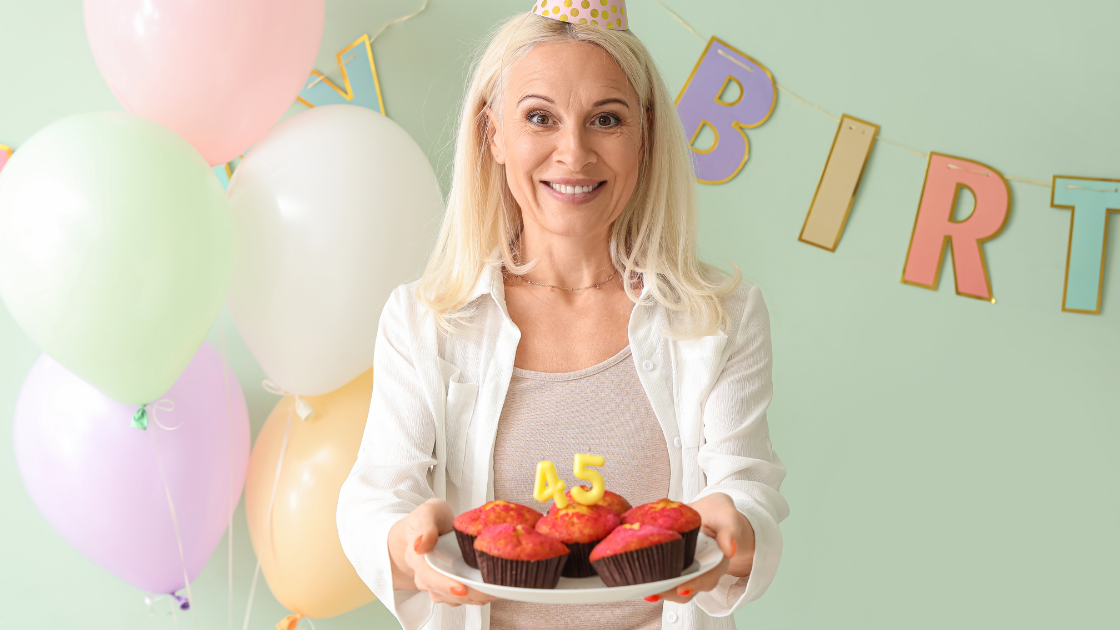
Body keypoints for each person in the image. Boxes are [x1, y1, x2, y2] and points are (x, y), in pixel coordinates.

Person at [337, 3, 788, 629]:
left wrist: (734, 527)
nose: (573, 153)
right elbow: (374, 498)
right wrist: (407, 543)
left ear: (644, 134)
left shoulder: (720, 319)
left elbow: (748, 488)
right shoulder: (426, 321)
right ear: (493, 133)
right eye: (539, 118)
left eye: (606, 119)